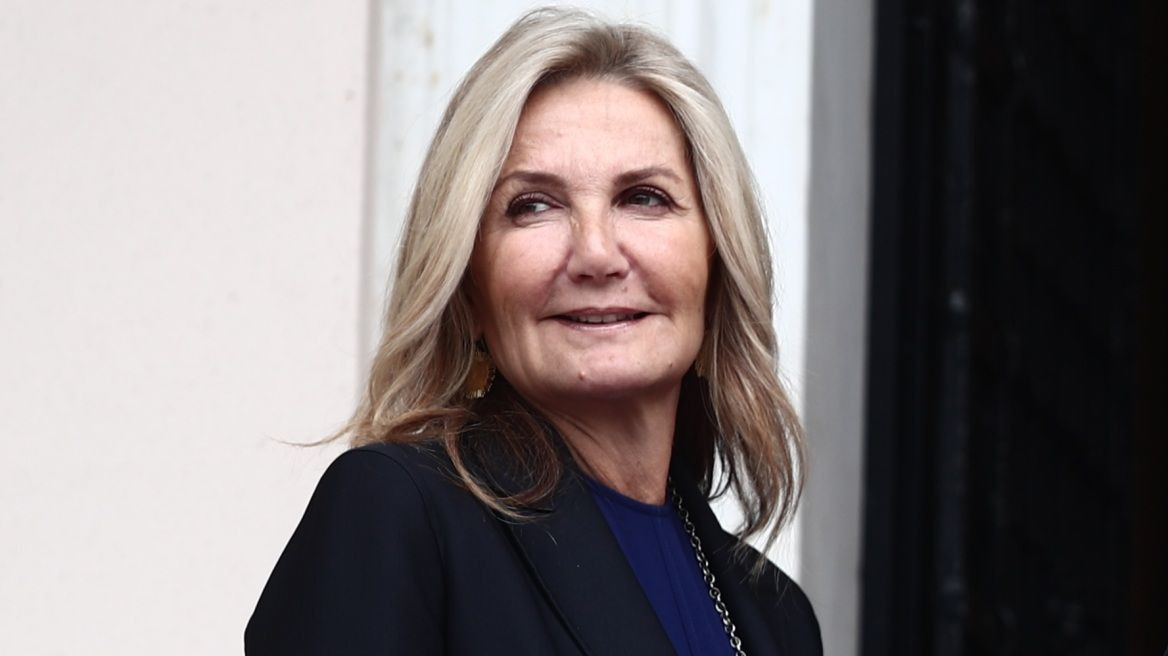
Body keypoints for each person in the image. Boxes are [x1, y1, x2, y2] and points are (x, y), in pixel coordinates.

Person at [245, 7, 821, 655]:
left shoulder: (780, 619)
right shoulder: (396, 515)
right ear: (469, 287)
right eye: (533, 206)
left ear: (717, 266)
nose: (597, 254)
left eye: (643, 197)